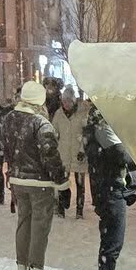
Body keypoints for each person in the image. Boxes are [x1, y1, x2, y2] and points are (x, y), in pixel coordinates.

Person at [2, 79, 69, 270]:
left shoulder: (9, 119)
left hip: (17, 181)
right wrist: (62, 181)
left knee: (23, 224)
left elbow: (7, 150)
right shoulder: (41, 123)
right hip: (40, 183)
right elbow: (49, 154)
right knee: (40, 228)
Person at [84, 104, 136, 270]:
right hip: (108, 189)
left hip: (111, 187)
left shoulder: (106, 120)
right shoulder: (101, 121)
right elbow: (121, 155)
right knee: (112, 241)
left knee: (113, 240)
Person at [51, 85, 88, 218]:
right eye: (64, 101)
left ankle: (79, 210)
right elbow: (54, 132)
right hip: (63, 153)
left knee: (80, 184)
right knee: (62, 182)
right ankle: (61, 207)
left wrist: (82, 149)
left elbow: (86, 133)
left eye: (69, 101)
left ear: (73, 101)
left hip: (79, 153)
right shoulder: (58, 114)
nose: (66, 104)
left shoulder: (82, 113)